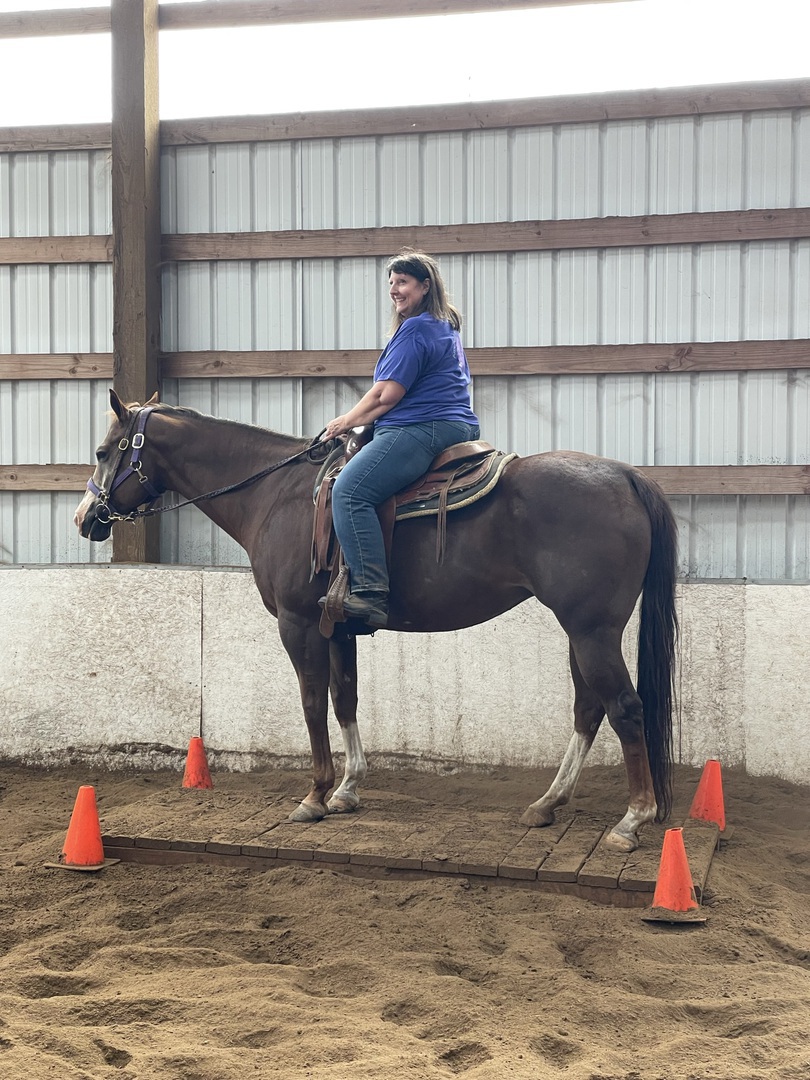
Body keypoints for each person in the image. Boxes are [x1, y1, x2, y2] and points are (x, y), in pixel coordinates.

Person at [320, 249, 480, 629]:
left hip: (421, 427)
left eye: (403, 282)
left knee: (349, 492)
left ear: (425, 286)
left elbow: (385, 395)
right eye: (391, 282)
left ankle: (370, 592)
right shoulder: (444, 326)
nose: (394, 289)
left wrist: (344, 422)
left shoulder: (416, 329)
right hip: (457, 425)